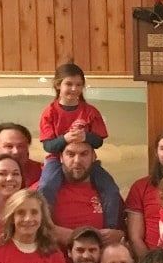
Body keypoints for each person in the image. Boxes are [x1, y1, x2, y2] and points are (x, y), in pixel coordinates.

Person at [36, 62, 122, 227]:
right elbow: (48, 146)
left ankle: (110, 227)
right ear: (58, 85)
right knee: (46, 186)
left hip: (87, 161)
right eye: (69, 84)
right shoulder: (50, 112)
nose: (74, 89)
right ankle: (46, 227)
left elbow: (98, 141)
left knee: (111, 189)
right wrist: (65, 138)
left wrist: (85, 136)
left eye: (78, 85)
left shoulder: (90, 111)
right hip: (56, 160)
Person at [47, 141, 125, 248]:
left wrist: (119, 235)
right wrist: (49, 231)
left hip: (100, 258)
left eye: (84, 154)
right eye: (71, 154)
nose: (77, 160)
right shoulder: (44, 191)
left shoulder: (109, 193)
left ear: (94, 157)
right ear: (61, 157)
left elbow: (126, 231)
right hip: (55, 258)